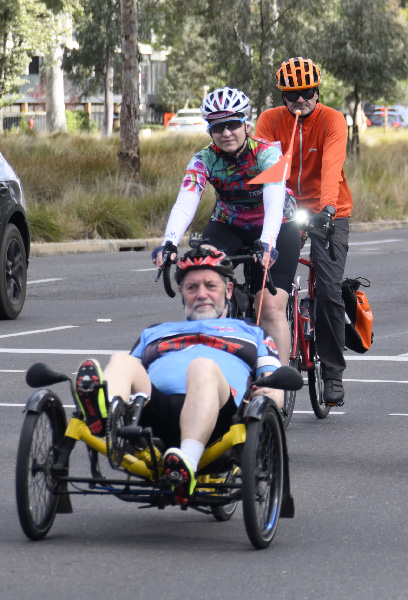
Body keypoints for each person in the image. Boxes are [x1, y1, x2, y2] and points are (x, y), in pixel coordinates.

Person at [73, 247, 281, 502]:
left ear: (228, 291)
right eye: (192, 288)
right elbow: (131, 373)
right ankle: (106, 416)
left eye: (210, 286)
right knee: (122, 360)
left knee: (201, 366)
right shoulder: (156, 331)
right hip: (156, 414)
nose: (201, 294)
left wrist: (268, 396)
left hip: (219, 419)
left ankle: (187, 464)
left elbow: (275, 383)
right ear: (182, 293)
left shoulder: (254, 333)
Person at [152, 87, 296, 368]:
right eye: (218, 127)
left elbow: (274, 199)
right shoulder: (203, 159)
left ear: (246, 124)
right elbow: (186, 201)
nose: (226, 132)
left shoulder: (268, 154)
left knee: (269, 306)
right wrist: (169, 242)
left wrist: (268, 242)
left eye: (232, 124)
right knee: (203, 266)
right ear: (210, 130)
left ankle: (277, 384)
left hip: (276, 225)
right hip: (228, 223)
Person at [254, 57, 353, 406]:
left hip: (330, 209)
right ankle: (264, 363)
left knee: (327, 289)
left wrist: (326, 208)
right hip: (286, 208)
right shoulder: (269, 120)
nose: (301, 100)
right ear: (282, 95)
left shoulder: (332, 119)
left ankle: (332, 372)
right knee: (263, 282)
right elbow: (266, 168)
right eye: (292, 94)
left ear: (317, 91)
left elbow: (331, 165)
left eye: (308, 93)